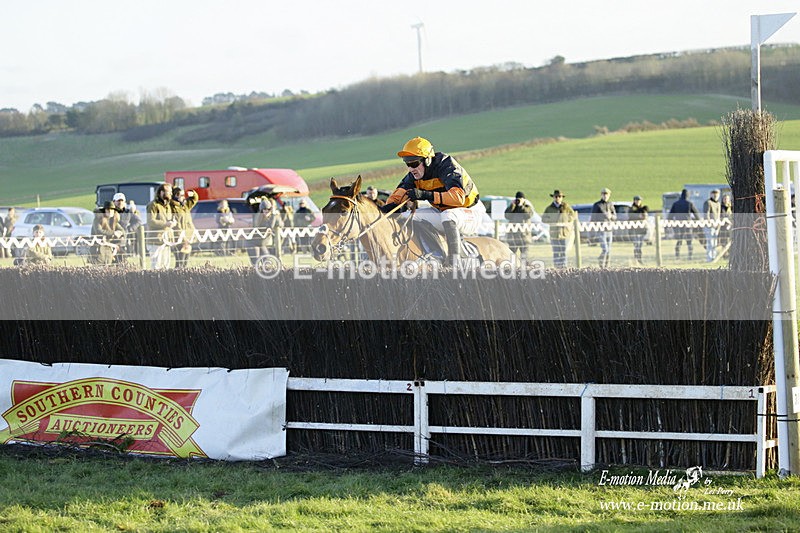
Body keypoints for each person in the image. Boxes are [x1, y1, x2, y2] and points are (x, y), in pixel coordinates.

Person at [380, 136, 485, 265]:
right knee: (407, 216)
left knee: (449, 215)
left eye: (414, 163)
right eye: (407, 164)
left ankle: (454, 262)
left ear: (427, 160)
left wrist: (425, 195)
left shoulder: (447, 166)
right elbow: (396, 198)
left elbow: (458, 197)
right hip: (441, 212)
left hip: (469, 212)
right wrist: (385, 209)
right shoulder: (413, 176)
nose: (411, 168)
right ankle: (434, 254)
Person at [146, 182, 177, 270]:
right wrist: (166, 224)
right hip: (155, 241)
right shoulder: (153, 205)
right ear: (161, 192)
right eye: (169, 192)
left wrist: (173, 223)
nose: (171, 194)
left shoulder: (168, 206)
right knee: (156, 267)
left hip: (166, 240)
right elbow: (151, 221)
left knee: (166, 267)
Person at [542, 190, 576, 268]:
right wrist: (553, 221)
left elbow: (573, 215)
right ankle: (557, 267)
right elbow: (543, 219)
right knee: (556, 252)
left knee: (563, 252)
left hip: (564, 233)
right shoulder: (549, 208)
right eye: (556, 196)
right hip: (554, 233)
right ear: (553, 197)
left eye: (559, 196)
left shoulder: (566, 206)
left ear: (562, 198)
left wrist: (567, 220)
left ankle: (564, 267)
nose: (557, 198)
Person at [248, 198, 284, 265]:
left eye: (268, 209)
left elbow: (280, 224)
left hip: (262, 243)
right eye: (264, 209)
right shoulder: (258, 217)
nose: (266, 211)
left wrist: (276, 216)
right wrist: (273, 215)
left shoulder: (273, 216)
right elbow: (269, 226)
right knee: (256, 261)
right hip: (253, 242)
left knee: (267, 261)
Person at [669, 189, 700, 260]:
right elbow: (696, 214)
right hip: (688, 225)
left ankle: (677, 256)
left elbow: (670, 216)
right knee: (689, 241)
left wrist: (670, 224)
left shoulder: (675, 204)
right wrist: (697, 222)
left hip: (678, 225)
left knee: (679, 241)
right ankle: (690, 256)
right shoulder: (689, 203)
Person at [171, 187, 198, 268]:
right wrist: (183, 239)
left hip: (188, 236)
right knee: (180, 261)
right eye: (181, 195)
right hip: (179, 237)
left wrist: (193, 193)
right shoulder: (172, 207)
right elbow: (177, 225)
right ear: (175, 195)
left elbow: (194, 199)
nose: (183, 196)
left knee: (186, 261)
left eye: (183, 195)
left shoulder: (185, 205)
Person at [591, 187, 616, 268]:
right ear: (601, 195)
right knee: (605, 249)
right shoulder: (597, 205)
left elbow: (615, 216)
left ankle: (606, 266)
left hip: (609, 229)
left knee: (609, 250)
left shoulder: (610, 204)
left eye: (607, 194)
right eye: (604, 194)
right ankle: (601, 262)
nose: (605, 196)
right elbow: (593, 218)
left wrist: (611, 216)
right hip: (601, 230)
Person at [504, 191, 534, 258]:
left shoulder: (527, 207)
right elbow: (507, 216)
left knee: (524, 255)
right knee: (511, 255)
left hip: (524, 235)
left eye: (520, 198)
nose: (518, 200)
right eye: (517, 198)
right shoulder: (512, 207)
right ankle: (513, 267)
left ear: (524, 199)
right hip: (513, 235)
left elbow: (528, 215)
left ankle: (524, 267)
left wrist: (521, 206)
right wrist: (512, 206)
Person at [702, 189, 722, 262]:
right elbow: (706, 214)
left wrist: (718, 224)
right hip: (709, 226)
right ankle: (709, 258)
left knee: (715, 242)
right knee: (710, 242)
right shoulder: (708, 202)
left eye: (717, 194)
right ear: (711, 194)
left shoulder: (718, 203)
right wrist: (709, 223)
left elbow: (719, 215)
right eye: (714, 194)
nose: (715, 195)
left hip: (716, 225)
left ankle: (714, 257)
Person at [629, 195, 649, 265]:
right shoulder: (632, 208)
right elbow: (630, 216)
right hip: (634, 230)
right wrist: (638, 216)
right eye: (637, 200)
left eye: (639, 200)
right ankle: (636, 259)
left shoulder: (643, 208)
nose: (638, 202)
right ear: (634, 201)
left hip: (642, 230)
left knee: (640, 245)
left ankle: (639, 259)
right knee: (636, 245)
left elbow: (645, 215)